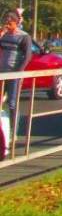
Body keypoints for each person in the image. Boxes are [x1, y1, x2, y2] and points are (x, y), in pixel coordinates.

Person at [0, 9, 32, 153]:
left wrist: (19, 71)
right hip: (1, 73)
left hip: (14, 74)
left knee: (12, 103)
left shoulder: (23, 37)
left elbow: (27, 56)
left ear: (16, 22)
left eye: (10, 22)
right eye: (5, 22)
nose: (7, 25)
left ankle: (14, 132)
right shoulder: (3, 35)